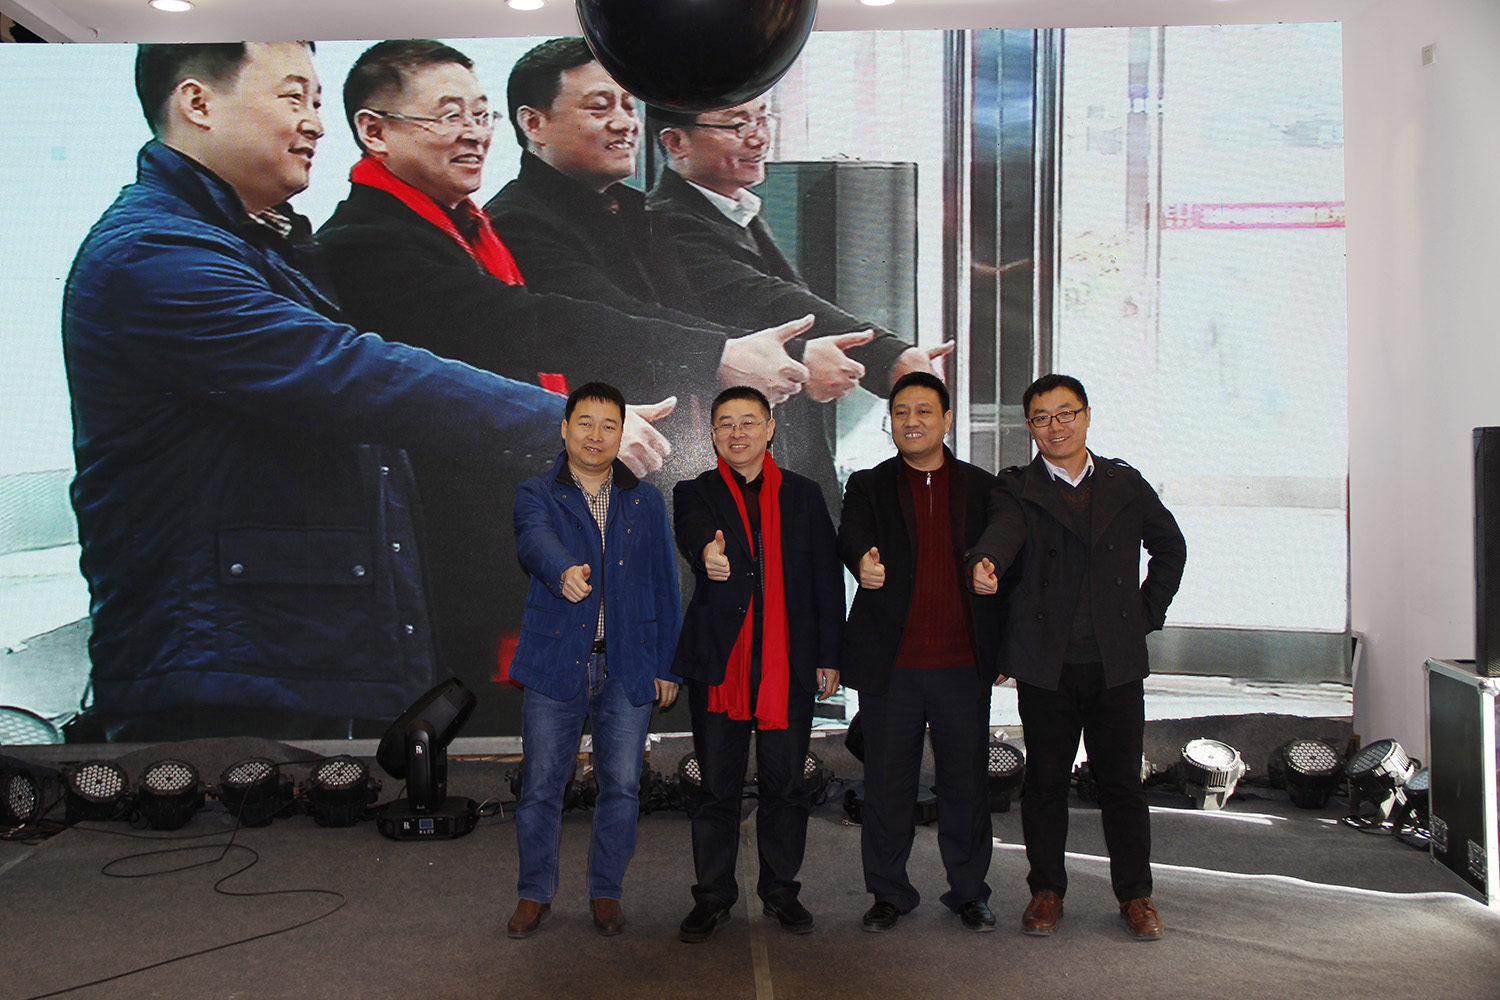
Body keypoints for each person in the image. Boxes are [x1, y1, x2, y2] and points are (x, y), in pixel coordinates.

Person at [61, 42, 564, 741]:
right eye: (293, 97)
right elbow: (346, 371)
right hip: (224, 673)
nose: (316, 124)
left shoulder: (259, 245)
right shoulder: (153, 254)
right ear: (198, 103)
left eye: (317, 101)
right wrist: (565, 424)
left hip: (286, 656)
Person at [316, 41, 813, 720]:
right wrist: (714, 355)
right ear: (374, 131)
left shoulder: (464, 225)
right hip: (461, 552)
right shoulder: (371, 240)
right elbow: (524, 321)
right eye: (449, 116)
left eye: (480, 114)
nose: (473, 133)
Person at [648, 96, 954, 508]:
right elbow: (765, 297)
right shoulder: (666, 221)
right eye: (737, 125)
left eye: (763, 119)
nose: (758, 137)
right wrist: (890, 356)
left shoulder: (735, 208)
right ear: (675, 142)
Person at [969, 373, 1187, 940]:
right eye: (1042, 418)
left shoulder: (1123, 482)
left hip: (1115, 663)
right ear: (1030, 428)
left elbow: (1170, 547)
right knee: (1045, 783)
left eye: (1065, 413)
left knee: (1122, 785)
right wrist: (987, 562)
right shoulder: (1017, 486)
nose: (1056, 426)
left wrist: (1145, 613)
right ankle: (1046, 891)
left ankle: (1135, 896)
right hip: (1048, 664)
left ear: (1086, 416)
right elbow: (1003, 531)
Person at [506, 382, 682, 939]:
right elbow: (532, 540)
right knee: (541, 786)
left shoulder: (646, 501)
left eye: (609, 426)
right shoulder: (536, 492)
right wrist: (562, 570)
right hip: (555, 661)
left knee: (622, 788)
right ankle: (534, 893)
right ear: (564, 428)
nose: (596, 435)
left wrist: (668, 665)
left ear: (621, 434)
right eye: (585, 423)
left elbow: (665, 585)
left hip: (627, 666)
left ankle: (607, 892)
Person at [670, 386, 845, 943]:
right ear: (712, 435)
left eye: (749, 421)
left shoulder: (803, 494)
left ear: (770, 429)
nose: (737, 432)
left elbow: (825, 578)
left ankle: (781, 890)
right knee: (715, 790)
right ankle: (712, 895)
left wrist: (829, 655)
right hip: (721, 664)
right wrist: (707, 553)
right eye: (726, 423)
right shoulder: (694, 491)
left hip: (787, 664)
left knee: (785, 787)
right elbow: (694, 531)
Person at [837, 371, 1003, 933]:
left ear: (947, 420)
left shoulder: (983, 487)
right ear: (890, 423)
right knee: (888, 786)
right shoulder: (869, 484)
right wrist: (861, 559)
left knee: (966, 785)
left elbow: (1006, 551)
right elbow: (852, 533)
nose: (912, 421)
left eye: (924, 411)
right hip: (894, 666)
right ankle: (889, 892)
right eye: (901, 412)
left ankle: (969, 892)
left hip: (961, 666)